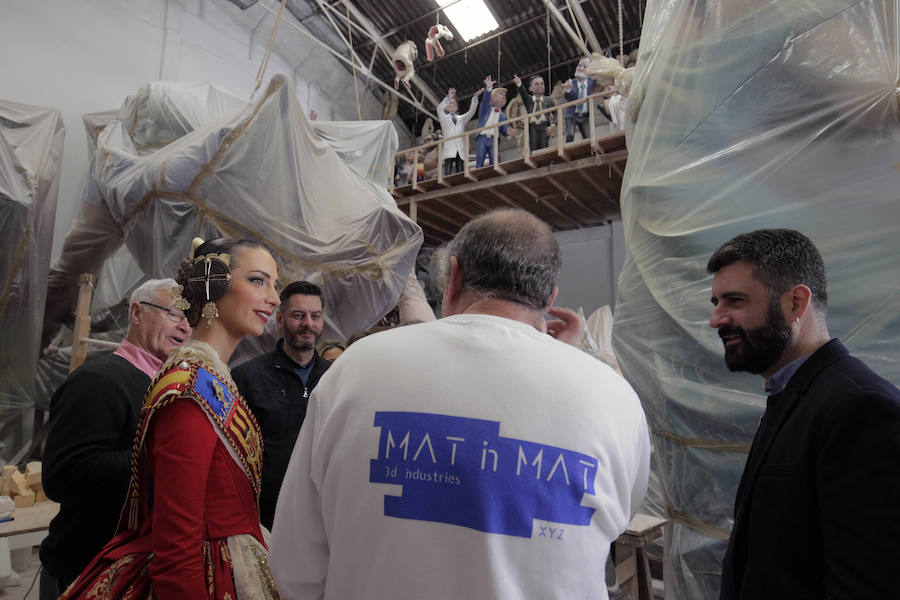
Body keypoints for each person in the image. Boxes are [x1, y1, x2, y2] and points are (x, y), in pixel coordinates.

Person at [270, 209, 650, 600]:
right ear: (550, 297)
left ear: (453, 277)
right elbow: (616, 520)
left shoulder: (354, 369)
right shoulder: (613, 397)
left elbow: (296, 570)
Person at [60, 238, 282, 600]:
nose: (273, 298)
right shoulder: (189, 388)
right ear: (214, 288)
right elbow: (177, 538)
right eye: (258, 280)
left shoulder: (211, 378)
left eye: (275, 285)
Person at [707, 229, 900, 599]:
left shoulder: (861, 409)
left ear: (796, 303)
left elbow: (866, 586)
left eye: (734, 301)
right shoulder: (792, 394)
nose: (716, 319)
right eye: (715, 302)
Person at [39, 279, 191, 599]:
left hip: (143, 567)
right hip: (90, 570)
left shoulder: (172, 386)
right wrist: (165, 455)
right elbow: (65, 476)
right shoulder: (97, 381)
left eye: (191, 318)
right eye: (175, 314)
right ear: (137, 313)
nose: (185, 327)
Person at [233, 281, 333, 530]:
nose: (308, 324)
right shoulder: (248, 377)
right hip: (264, 516)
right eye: (298, 316)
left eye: (315, 316)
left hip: (323, 511)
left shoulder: (337, 377)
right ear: (279, 319)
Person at [437, 87, 483, 175]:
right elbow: (439, 109)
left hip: (460, 148)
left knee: (460, 169)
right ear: (446, 107)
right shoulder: (444, 118)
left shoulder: (461, 119)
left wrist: (475, 98)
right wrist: (448, 98)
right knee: (448, 169)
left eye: (454, 104)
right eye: (449, 104)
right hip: (449, 147)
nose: (452, 105)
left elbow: (471, 112)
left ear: (457, 106)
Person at [475, 75, 515, 167]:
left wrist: (509, 130)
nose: (503, 96)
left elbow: (504, 128)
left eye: (504, 95)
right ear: (492, 97)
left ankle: (494, 172)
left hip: (494, 139)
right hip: (482, 138)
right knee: (480, 157)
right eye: (500, 94)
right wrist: (489, 88)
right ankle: (478, 171)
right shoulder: (485, 109)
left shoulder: (503, 116)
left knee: (494, 159)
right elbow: (485, 100)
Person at [512, 73, 556, 151]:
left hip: (544, 126)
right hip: (533, 127)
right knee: (533, 147)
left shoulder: (549, 100)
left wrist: (552, 125)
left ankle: (544, 161)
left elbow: (557, 113)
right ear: (530, 89)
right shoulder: (529, 100)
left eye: (542, 83)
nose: (540, 85)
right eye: (536, 84)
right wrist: (519, 84)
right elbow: (523, 93)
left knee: (544, 146)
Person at [563, 57, 596, 142]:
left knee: (588, 136)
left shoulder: (590, 81)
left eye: (584, 67)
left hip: (584, 115)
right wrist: (568, 89)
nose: (581, 68)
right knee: (570, 135)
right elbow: (567, 96)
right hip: (572, 115)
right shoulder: (571, 82)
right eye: (579, 65)